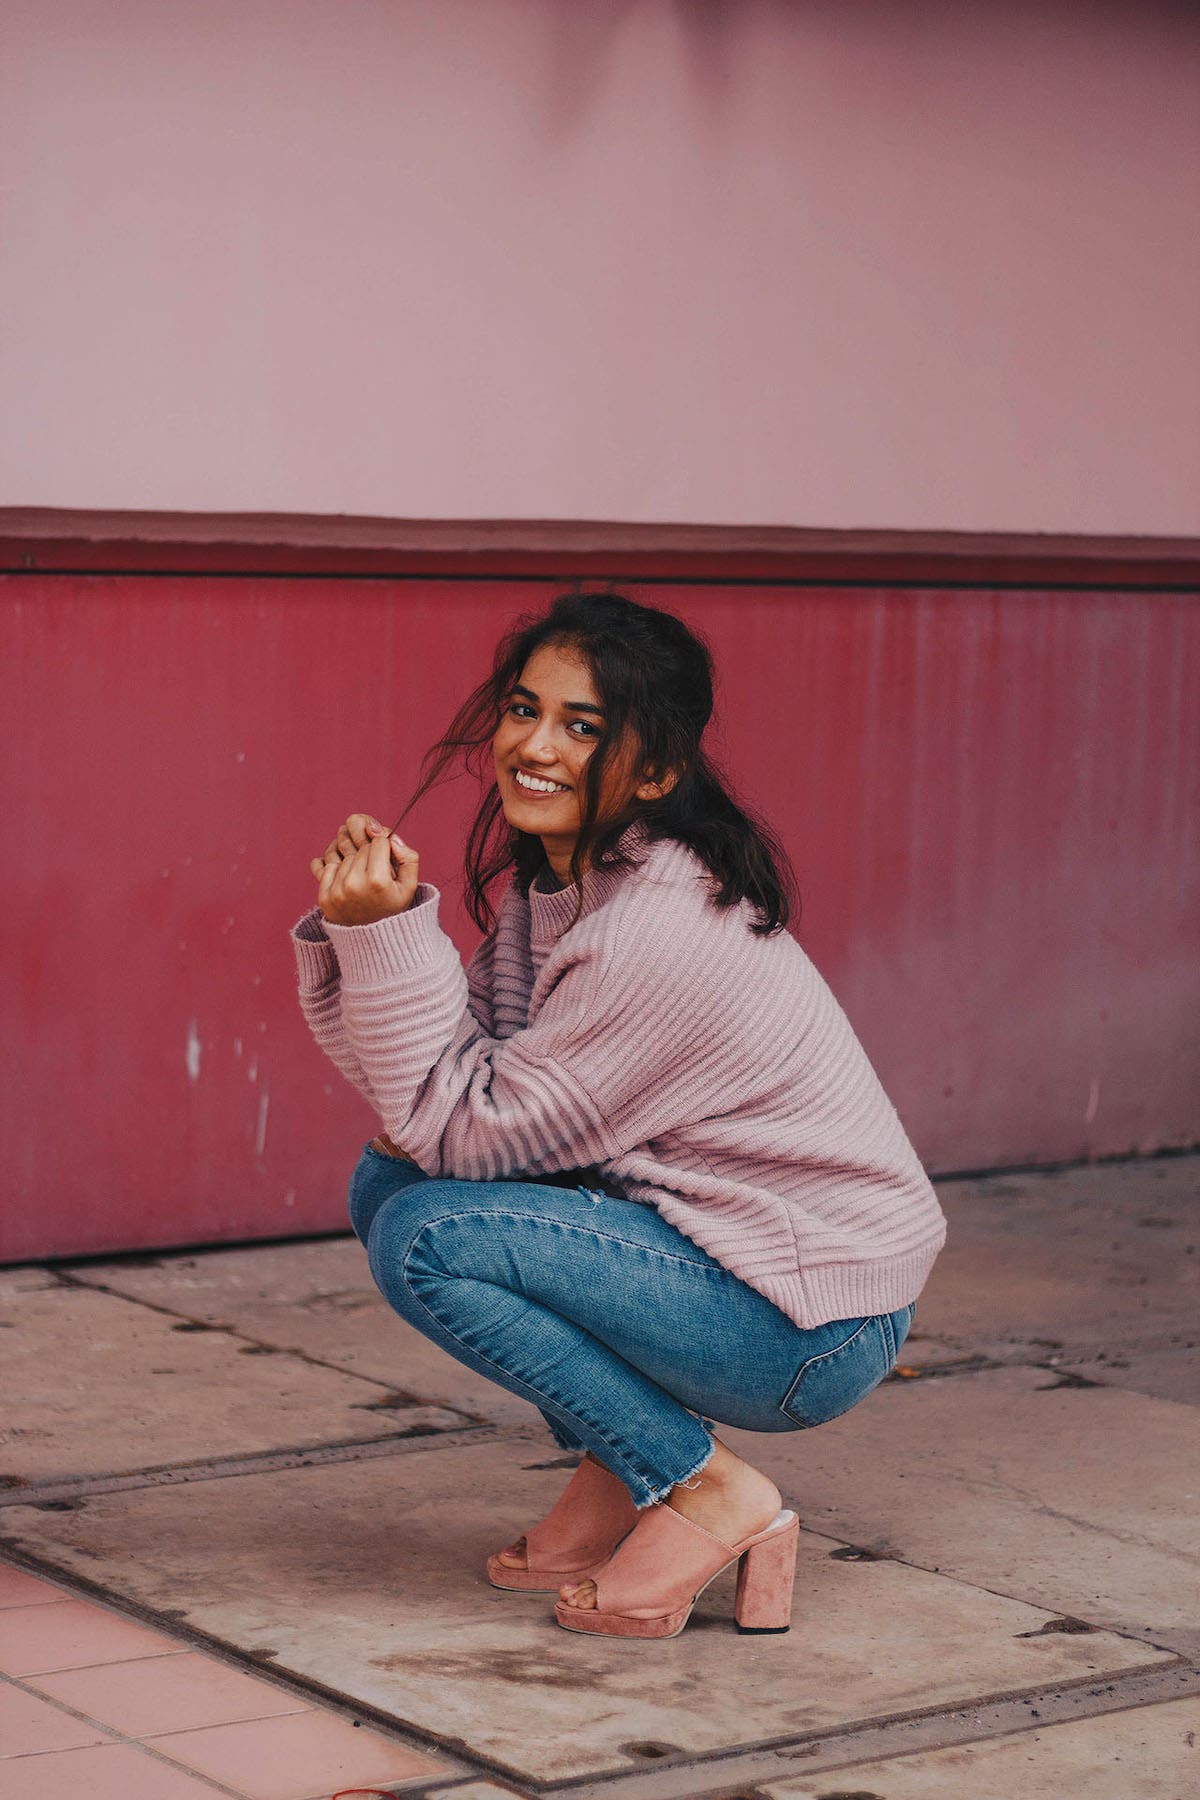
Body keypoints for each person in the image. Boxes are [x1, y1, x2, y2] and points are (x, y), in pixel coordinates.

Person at [289, 590, 947, 1641]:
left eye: (582, 727)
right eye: (522, 708)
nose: (534, 745)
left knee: (427, 1235)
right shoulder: (567, 881)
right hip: (722, 1258)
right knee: (394, 1187)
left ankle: (703, 1489)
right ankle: (618, 1471)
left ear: (655, 772)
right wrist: (362, 931)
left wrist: (385, 942)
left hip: (811, 1318)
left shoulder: (657, 924)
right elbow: (443, 1111)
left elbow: (468, 1134)